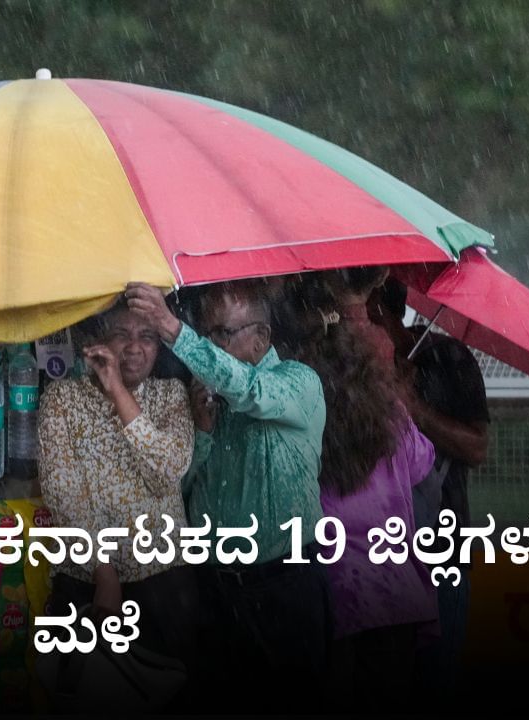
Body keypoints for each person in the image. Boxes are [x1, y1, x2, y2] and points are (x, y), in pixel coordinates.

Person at [124, 279, 329, 711]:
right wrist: (201, 433)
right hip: (216, 590)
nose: (210, 346)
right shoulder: (206, 398)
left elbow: (250, 390)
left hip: (283, 586)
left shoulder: (296, 383)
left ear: (261, 339)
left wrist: (173, 329)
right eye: (206, 332)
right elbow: (177, 490)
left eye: (221, 334)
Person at [294, 268, 439, 710]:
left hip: (336, 593)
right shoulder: (391, 412)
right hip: (396, 591)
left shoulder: (303, 411)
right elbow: (423, 463)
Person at [36, 299, 199, 680]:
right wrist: (104, 572)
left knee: (169, 691)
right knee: (89, 694)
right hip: (86, 582)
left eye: (147, 337)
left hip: (164, 580)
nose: (135, 348)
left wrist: (119, 394)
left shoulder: (171, 395)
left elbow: (167, 470)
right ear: (98, 342)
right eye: (121, 335)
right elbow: (64, 493)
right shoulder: (61, 399)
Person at [369, 276, 491, 696]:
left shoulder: (449, 358)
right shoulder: (355, 364)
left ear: (381, 310)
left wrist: (413, 408)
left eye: (365, 312)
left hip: (441, 551)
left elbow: (477, 447)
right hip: (376, 557)